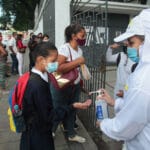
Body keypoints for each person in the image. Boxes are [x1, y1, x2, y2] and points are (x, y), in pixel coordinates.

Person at [20, 42, 91, 150]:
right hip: (38, 138)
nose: (56, 65)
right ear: (40, 60)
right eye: (53, 61)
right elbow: (50, 117)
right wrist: (72, 106)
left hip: (36, 131)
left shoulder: (36, 77)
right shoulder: (38, 85)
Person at [97, 9, 150, 150]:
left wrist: (103, 124)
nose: (129, 48)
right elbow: (141, 109)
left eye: (131, 43)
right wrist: (115, 102)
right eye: (127, 45)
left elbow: (127, 125)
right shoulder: (131, 62)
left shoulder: (143, 80)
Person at [50, 24, 87, 143]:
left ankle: (71, 133)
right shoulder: (64, 48)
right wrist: (78, 61)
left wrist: (80, 83)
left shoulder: (79, 50)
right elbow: (58, 68)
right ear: (73, 36)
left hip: (74, 86)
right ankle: (50, 131)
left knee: (72, 110)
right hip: (62, 86)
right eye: (82, 35)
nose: (84, 37)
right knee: (58, 110)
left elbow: (77, 69)